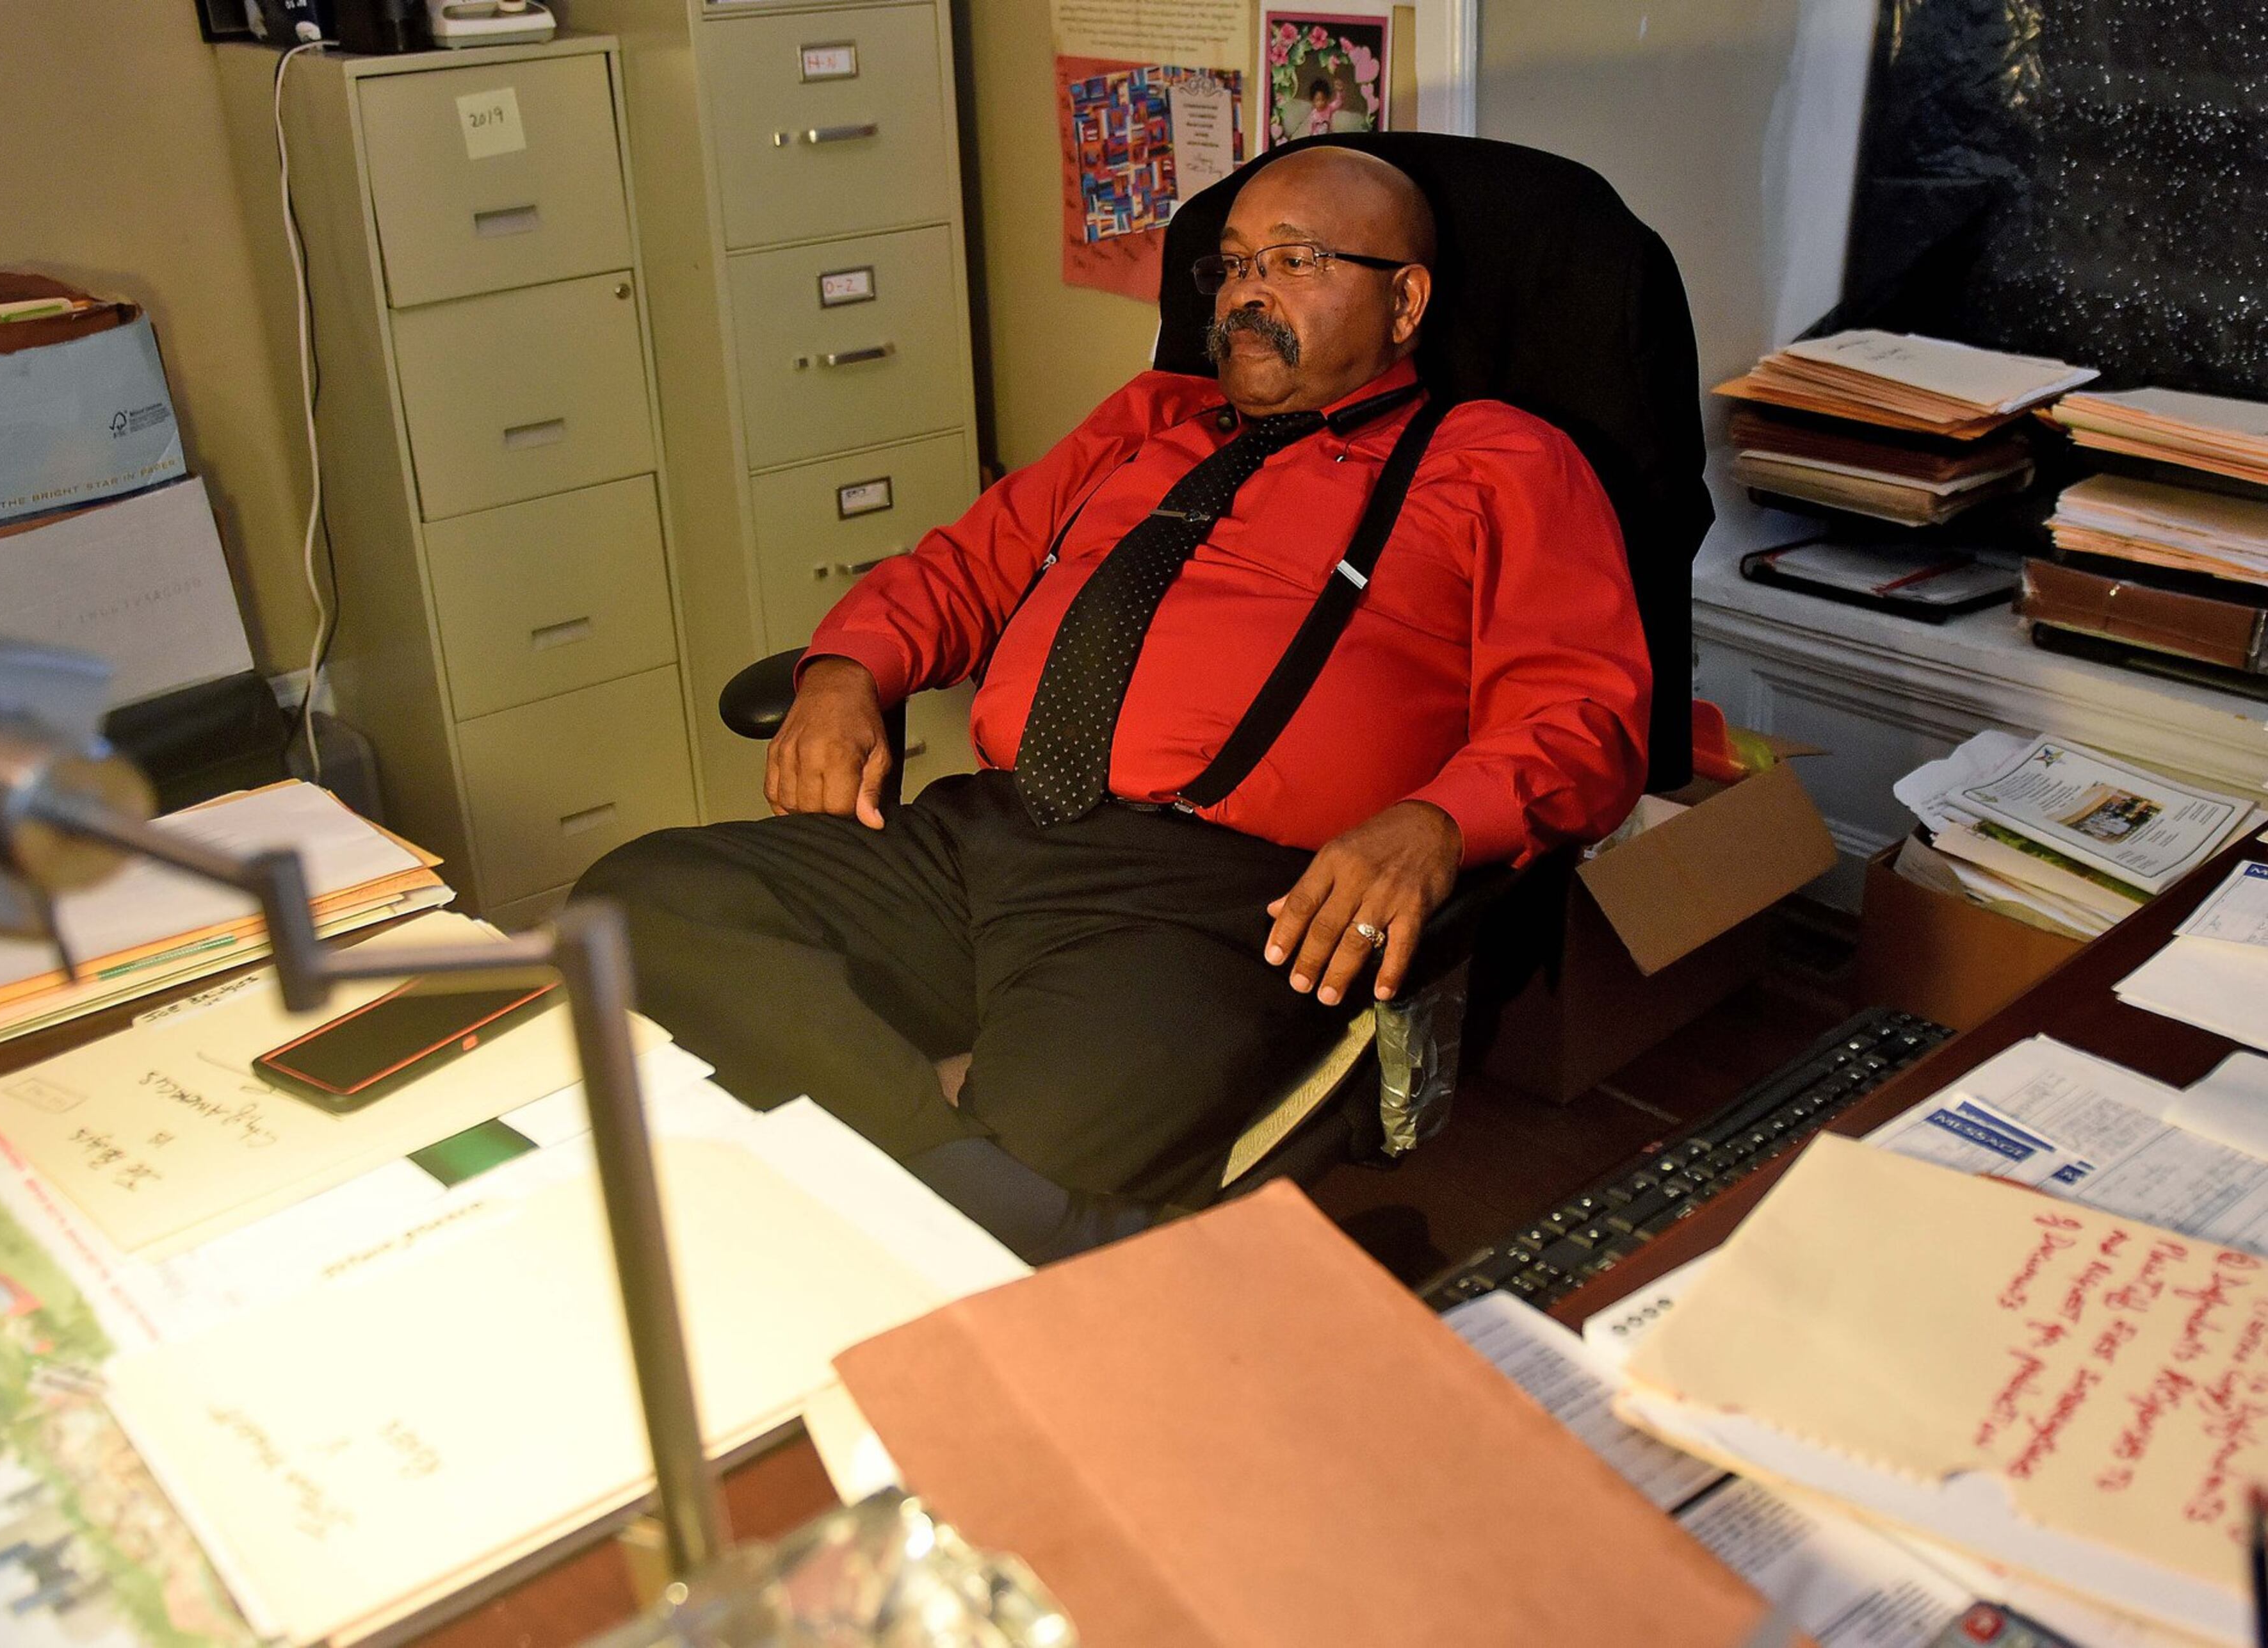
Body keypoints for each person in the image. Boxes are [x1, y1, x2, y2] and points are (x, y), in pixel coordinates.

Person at [575, 146, 1651, 1260]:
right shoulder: (1150, 420)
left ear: (1406, 299)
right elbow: (964, 567)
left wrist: (1436, 821)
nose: (1244, 293)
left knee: (1042, 1135)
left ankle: (960, 1190)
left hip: (1214, 899)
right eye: (1232, 266)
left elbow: (1585, 711)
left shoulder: (1501, 461)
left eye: (1292, 261)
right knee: (622, 911)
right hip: (982, 832)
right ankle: (984, 1199)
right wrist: (849, 670)